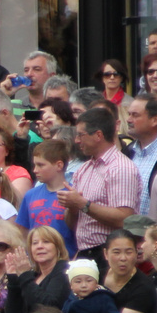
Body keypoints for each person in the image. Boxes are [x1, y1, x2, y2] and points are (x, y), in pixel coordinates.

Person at [63, 108, 141, 272]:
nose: (77, 140)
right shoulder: (83, 169)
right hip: (85, 253)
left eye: (81, 135)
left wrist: (83, 204)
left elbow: (124, 219)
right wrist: (72, 207)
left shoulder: (120, 168)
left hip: (109, 256)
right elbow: (72, 224)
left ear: (98, 135)